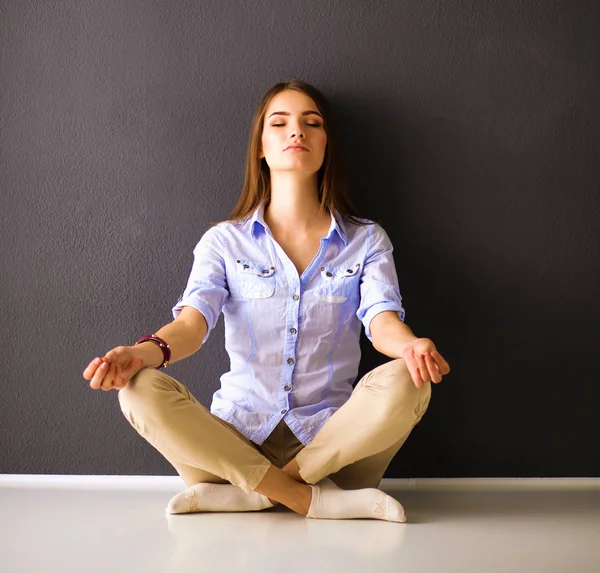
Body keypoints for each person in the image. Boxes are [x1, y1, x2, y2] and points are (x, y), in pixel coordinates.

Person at [82, 79, 450, 523]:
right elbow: (190, 328)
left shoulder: (366, 239)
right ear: (261, 146)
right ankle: (305, 498)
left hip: (334, 449)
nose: (297, 132)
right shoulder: (223, 241)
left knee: (411, 380)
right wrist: (138, 354)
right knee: (138, 389)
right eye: (280, 123)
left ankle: (258, 491)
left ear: (326, 143)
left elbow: (382, 320)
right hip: (232, 444)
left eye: (311, 123)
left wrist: (410, 347)